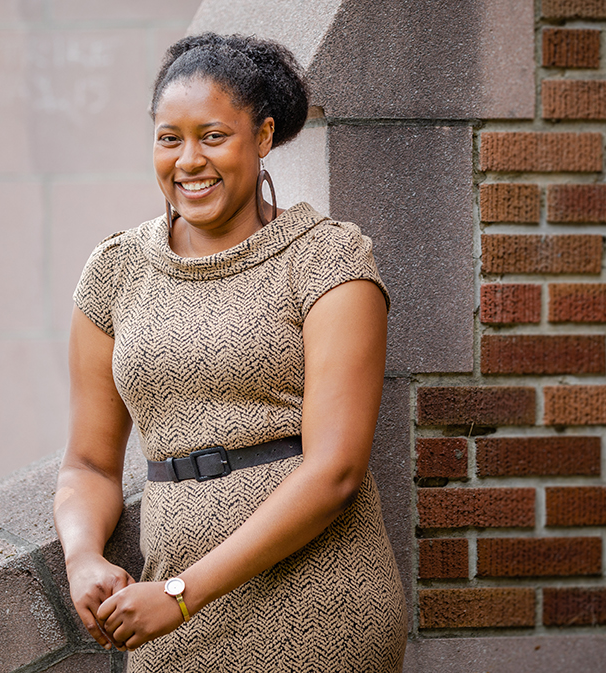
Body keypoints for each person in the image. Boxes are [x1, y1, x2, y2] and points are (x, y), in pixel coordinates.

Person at [52, 32, 407, 671]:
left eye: (213, 136)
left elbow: (335, 472)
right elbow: (88, 465)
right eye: (169, 138)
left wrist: (183, 596)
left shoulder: (328, 260)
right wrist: (82, 556)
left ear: (263, 136)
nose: (188, 161)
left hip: (323, 610)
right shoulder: (115, 271)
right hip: (166, 618)